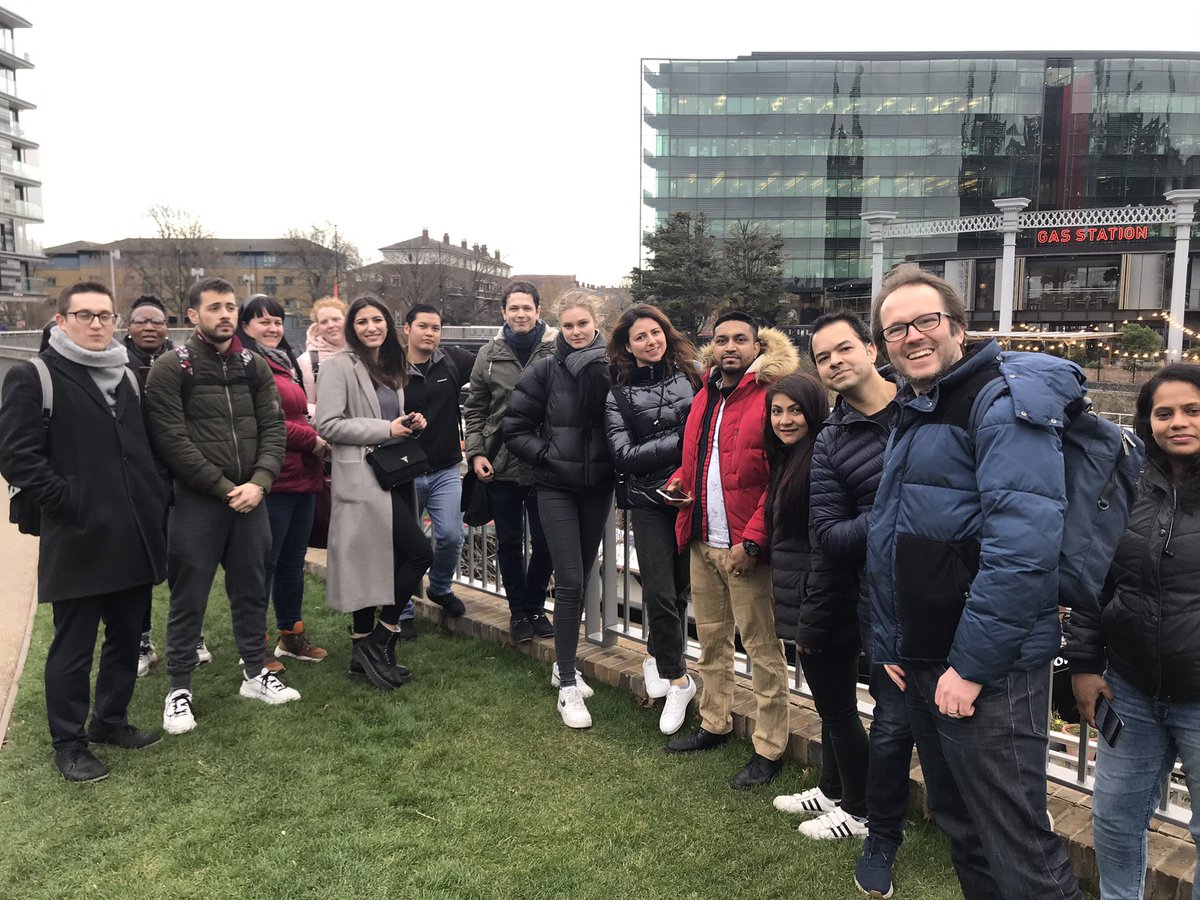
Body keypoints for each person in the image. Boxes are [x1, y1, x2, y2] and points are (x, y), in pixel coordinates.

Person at [866, 264, 1083, 899]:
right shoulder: (919, 405)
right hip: (929, 657)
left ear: (959, 327)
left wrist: (972, 666)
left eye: (925, 320)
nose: (911, 337)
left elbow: (1023, 550)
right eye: (896, 329)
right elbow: (893, 537)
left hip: (988, 669)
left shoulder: (998, 400)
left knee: (1017, 843)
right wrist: (894, 644)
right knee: (963, 827)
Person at [0, 283, 169, 782]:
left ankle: (109, 721)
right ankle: (69, 744)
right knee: (73, 647)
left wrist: (157, 493)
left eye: (104, 315)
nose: (96, 324)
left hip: (134, 530)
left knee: (125, 638)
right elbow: (17, 457)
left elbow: (144, 447)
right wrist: (68, 502)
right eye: (84, 315)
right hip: (77, 534)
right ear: (61, 319)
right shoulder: (35, 376)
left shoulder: (127, 376)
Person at [786, 311, 914, 894]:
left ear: (871, 347)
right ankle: (873, 823)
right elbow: (829, 534)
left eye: (844, 349)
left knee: (927, 719)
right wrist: (902, 514)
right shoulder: (832, 439)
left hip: (938, 595)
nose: (835, 361)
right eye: (822, 357)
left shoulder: (924, 407)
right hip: (871, 596)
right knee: (887, 720)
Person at [1066, 364, 1200, 900]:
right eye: (1164, 413)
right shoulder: (1126, 483)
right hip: (1132, 689)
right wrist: (1083, 664)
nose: (1178, 422)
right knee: (1116, 821)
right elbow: (1094, 580)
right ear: (1147, 421)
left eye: (1192, 410)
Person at [145, 277, 297, 737]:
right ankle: (179, 689)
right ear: (193, 315)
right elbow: (171, 440)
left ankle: (255, 672)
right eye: (214, 307)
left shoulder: (253, 365)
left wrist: (261, 481)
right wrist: (223, 486)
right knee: (188, 596)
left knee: (250, 589)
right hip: (198, 501)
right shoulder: (172, 368)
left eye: (230, 306)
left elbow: (274, 427)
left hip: (251, 499)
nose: (225, 315)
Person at [662, 311, 799, 790]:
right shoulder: (704, 395)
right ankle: (714, 722)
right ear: (712, 346)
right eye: (722, 339)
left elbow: (779, 477)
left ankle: (769, 747)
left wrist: (755, 540)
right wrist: (679, 485)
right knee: (713, 641)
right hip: (703, 539)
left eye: (740, 339)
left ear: (756, 344)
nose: (730, 347)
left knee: (762, 648)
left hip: (746, 547)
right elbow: (696, 462)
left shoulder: (771, 396)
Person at [761, 371, 875, 839]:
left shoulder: (815, 463)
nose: (785, 420)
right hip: (812, 600)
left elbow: (824, 554)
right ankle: (832, 790)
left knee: (840, 711)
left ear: (815, 410)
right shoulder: (793, 458)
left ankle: (862, 811)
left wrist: (811, 622)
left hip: (824, 605)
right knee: (832, 706)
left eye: (795, 410)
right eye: (776, 411)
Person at [505, 291, 614, 729]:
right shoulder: (545, 369)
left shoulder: (614, 369)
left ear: (596, 323)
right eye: (568, 326)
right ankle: (567, 681)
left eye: (582, 324)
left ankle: (561, 665)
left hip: (598, 488)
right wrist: (547, 455)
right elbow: (514, 427)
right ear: (559, 328)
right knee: (569, 582)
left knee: (582, 576)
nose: (575, 332)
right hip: (555, 487)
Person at [314, 294, 432, 690]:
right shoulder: (337, 367)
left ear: (388, 323)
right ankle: (382, 638)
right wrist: (386, 430)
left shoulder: (388, 365)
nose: (371, 327)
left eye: (377, 319)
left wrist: (408, 423)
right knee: (420, 552)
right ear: (352, 327)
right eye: (362, 321)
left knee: (381, 558)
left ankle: (364, 653)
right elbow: (328, 425)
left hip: (390, 472)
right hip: (361, 477)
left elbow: (386, 418)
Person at [604, 303, 701, 735]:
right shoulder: (618, 394)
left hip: (691, 498)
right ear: (628, 346)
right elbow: (623, 456)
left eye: (656, 332)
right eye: (640, 337)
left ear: (667, 333)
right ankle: (679, 681)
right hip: (648, 501)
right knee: (660, 590)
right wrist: (682, 441)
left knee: (679, 591)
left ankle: (654, 657)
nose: (651, 341)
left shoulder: (693, 376)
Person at [462, 282, 557, 643]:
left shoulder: (556, 347)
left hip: (543, 461)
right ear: (503, 312)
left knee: (546, 542)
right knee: (508, 541)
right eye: (513, 308)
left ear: (537, 310)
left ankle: (535, 605)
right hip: (499, 462)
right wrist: (476, 453)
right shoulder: (488, 354)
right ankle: (519, 612)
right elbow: (475, 409)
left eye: (526, 308)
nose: (520, 314)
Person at [237, 294, 329, 665]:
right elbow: (269, 421)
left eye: (277, 320)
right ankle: (253, 646)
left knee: (292, 562)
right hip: (273, 479)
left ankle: (291, 635)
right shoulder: (247, 366)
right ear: (245, 327)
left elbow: (295, 415)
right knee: (266, 564)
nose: (273, 328)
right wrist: (316, 440)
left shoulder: (282, 364)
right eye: (263, 321)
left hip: (301, 478)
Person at [400, 302, 478, 630]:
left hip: (445, 468)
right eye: (423, 327)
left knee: (450, 535)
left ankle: (441, 588)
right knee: (405, 544)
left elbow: (494, 367)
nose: (430, 333)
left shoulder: (453, 360)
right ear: (407, 329)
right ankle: (400, 612)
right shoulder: (389, 367)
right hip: (403, 471)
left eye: (435, 328)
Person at [122, 294, 175, 678]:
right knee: (139, 563)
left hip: (178, 473)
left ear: (167, 327)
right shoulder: (115, 364)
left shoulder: (180, 362)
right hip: (134, 479)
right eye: (142, 321)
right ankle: (141, 640)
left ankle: (190, 635)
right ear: (129, 327)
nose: (149, 328)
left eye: (156, 321)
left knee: (185, 560)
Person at [297, 295, 347, 407]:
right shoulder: (306, 362)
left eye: (336, 319)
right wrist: (330, 420)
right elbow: (304, 406)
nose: (331, 325)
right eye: (324, 322)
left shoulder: (362, 355)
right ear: (317, 327)